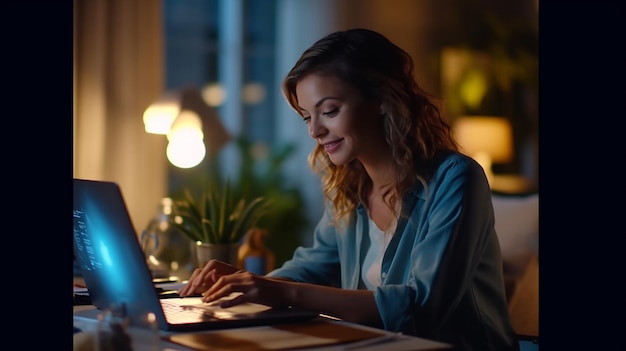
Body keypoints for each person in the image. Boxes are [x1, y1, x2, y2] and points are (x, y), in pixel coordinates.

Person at [178, 28, 519, 351]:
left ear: (382, 100)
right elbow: (313, 266)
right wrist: (242, 285)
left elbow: (422, 307)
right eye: (306, 117)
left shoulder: (455, 179)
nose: (315, 131)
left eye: (329, 111)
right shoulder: (349, 186)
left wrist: (278, 292)